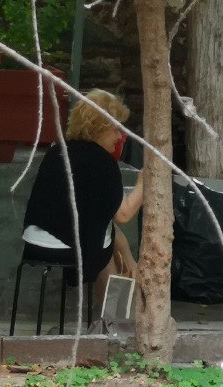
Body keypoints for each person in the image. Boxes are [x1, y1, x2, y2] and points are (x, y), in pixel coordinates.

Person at [21, 89, 143, 302]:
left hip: (34, 242)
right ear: (100, 127)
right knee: (106, 246)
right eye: (116, 129)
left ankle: (131, 267)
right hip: (64, 246)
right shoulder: (102, 162)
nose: (118, 137)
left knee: (105, 231)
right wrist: (145, 183)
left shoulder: (57, 151)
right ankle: (114, 321)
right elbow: (123, 214)